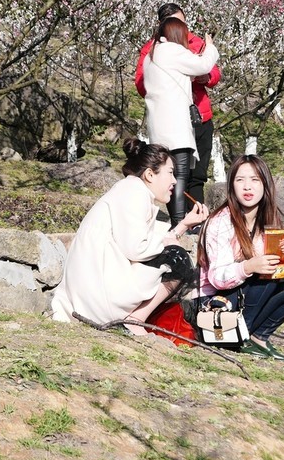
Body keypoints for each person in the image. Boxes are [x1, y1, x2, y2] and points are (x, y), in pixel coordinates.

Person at [51, 139, 209, 334]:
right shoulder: (134, 192)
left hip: (95, 287)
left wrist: (183, 225)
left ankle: (133, 320)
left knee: (172, 253)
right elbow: (136, 248)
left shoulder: (132, 190)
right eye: (170, 173)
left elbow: (141, 241)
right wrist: (169, 241)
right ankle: (134, 321)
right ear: (150, 174)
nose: (174, 181)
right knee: (178, 259)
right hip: (99, 294)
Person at [197, 154, 284, 360]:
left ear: (265, 184)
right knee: (265, 273)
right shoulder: (221, 222)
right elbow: (217, 278)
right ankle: (238, 338)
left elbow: (283, 270)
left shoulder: (267, 221)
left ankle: (258, 337)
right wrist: (248, 267)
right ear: (231, 185)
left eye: (254, 180)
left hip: (244, 298)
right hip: (215, 307)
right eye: (240, 180)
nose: (247, 187)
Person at [135, 3, 221, 207]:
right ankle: (181, 222)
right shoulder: (154, 50)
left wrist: (205, 78)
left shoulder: (194, 42)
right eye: (177, 22)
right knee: (175, 174)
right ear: (164, 25)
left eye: (183, 21)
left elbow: (214, 73)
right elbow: (141, 83)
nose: (183, 27)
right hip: (175, 122)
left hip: (199, 116)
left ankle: (195, 221)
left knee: (198, 175)